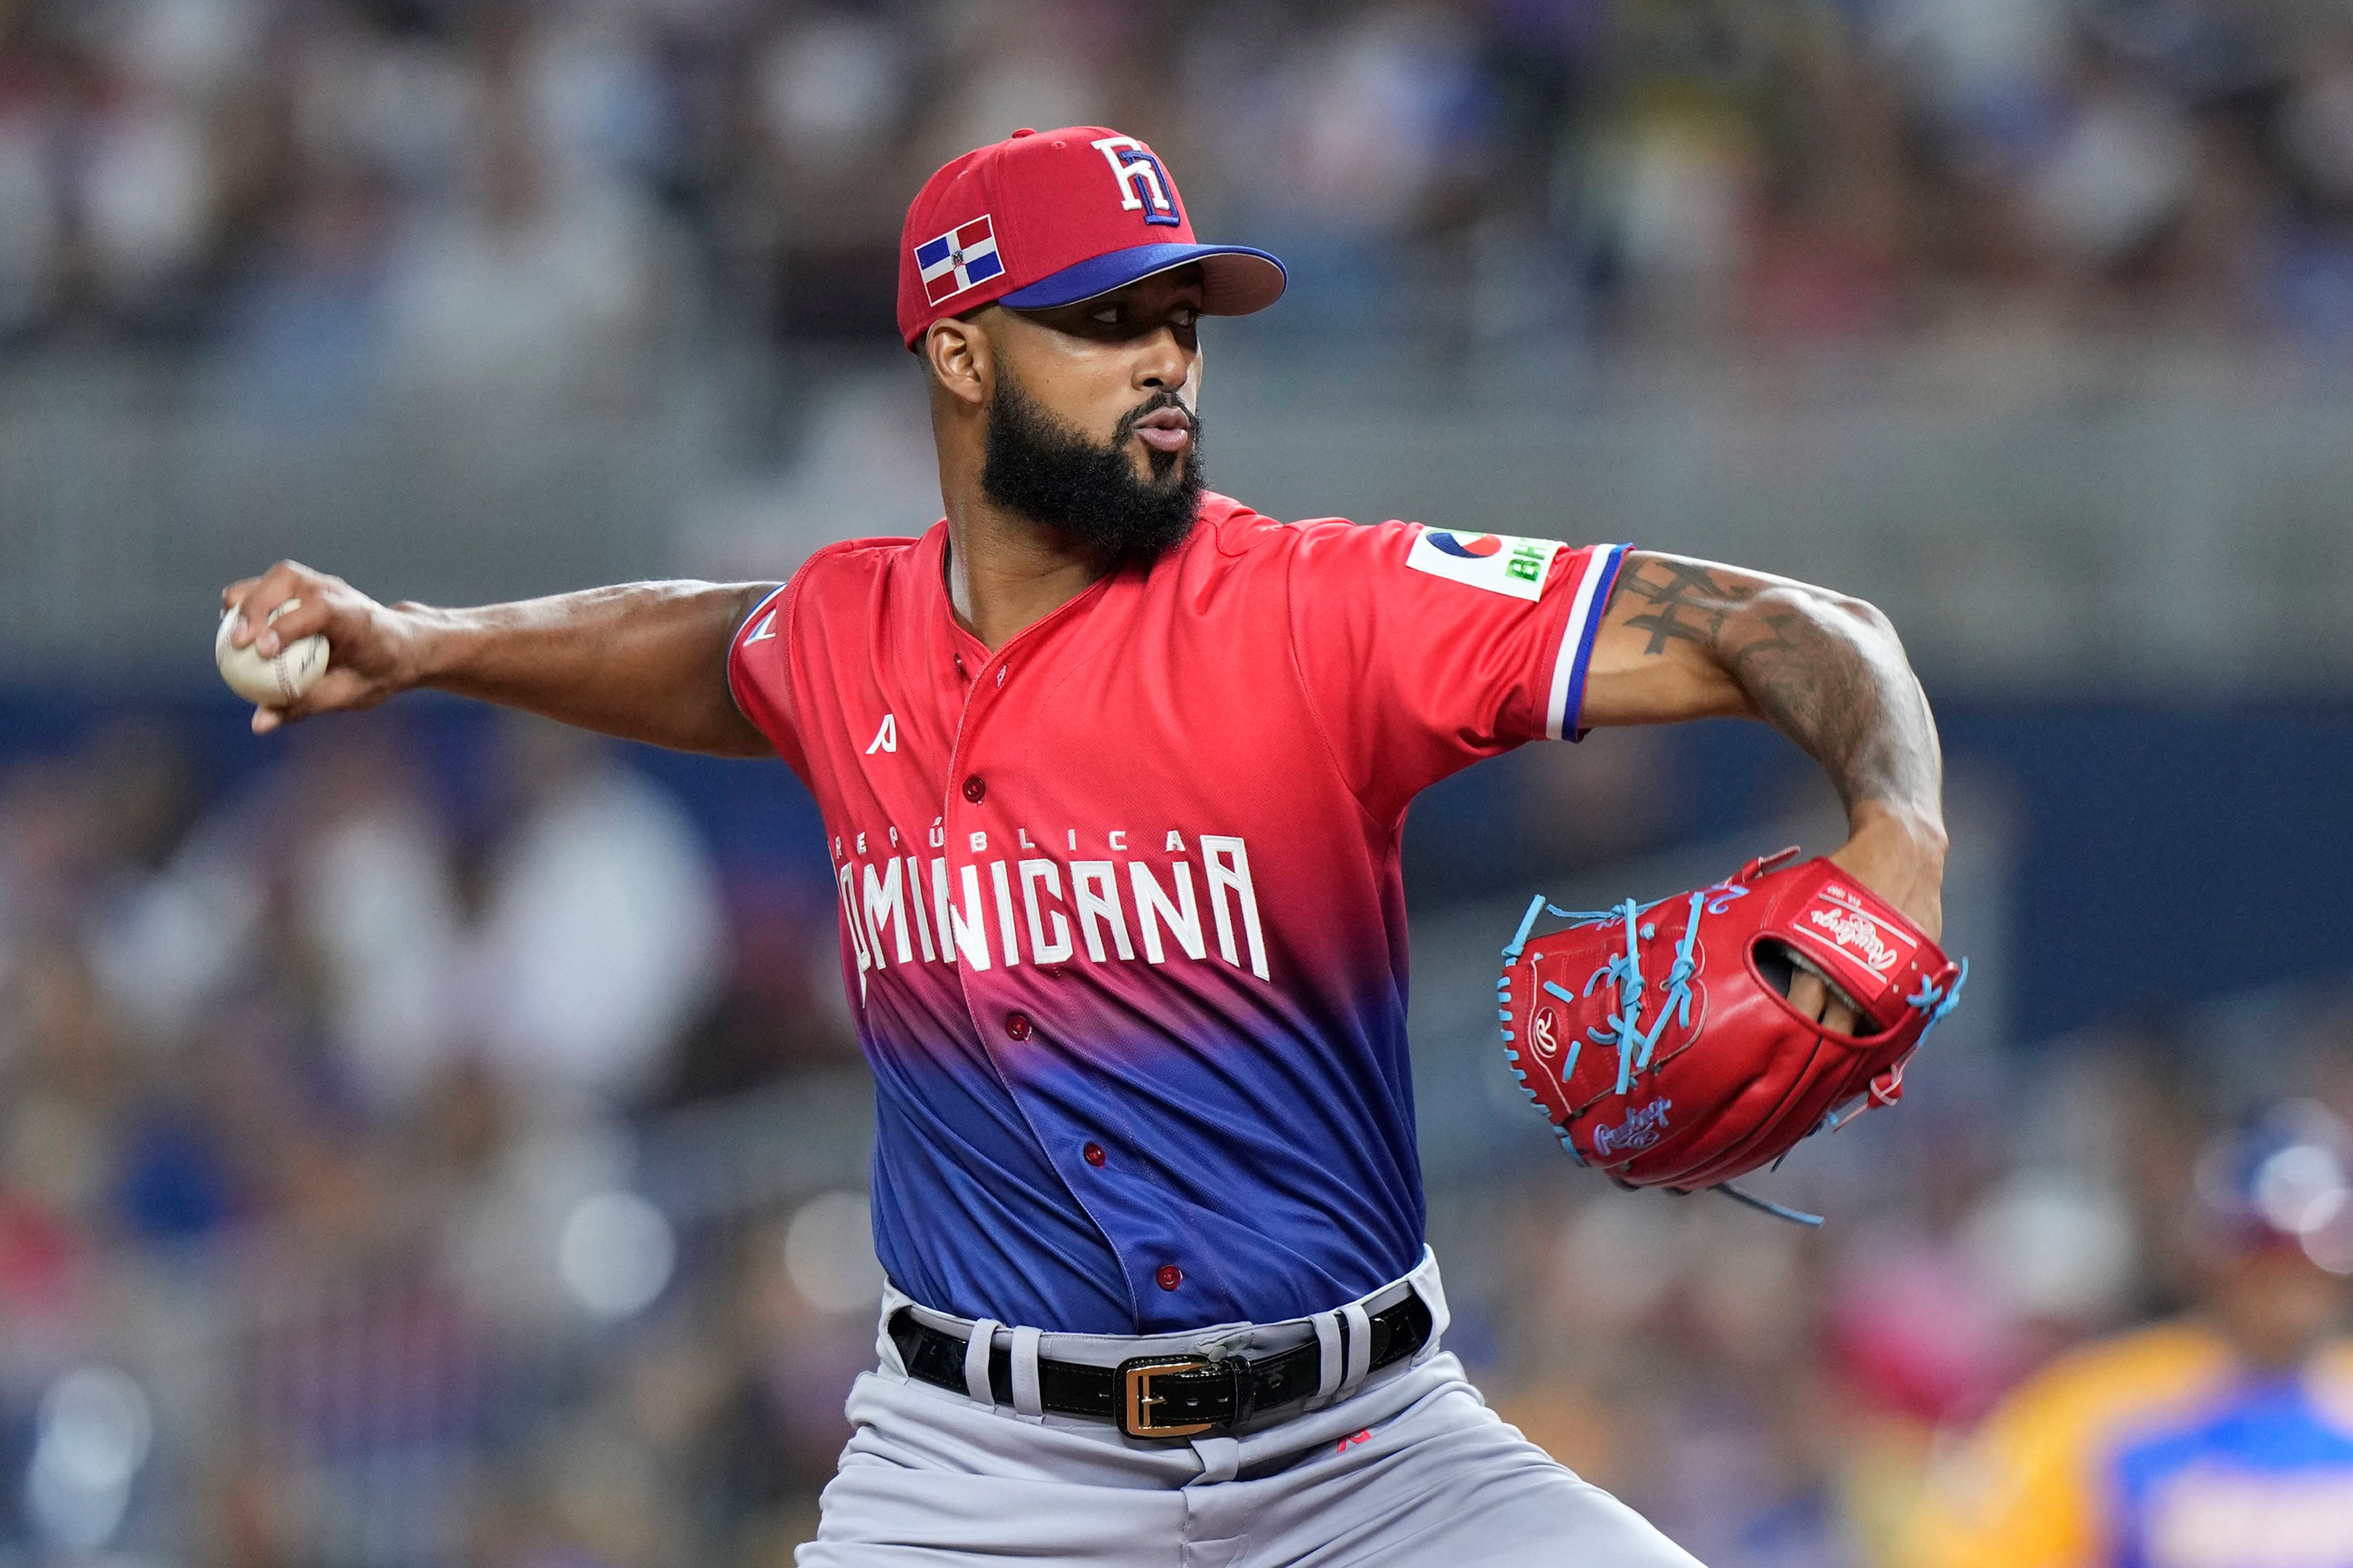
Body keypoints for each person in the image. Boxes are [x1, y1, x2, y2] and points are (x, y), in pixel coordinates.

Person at [222, 125, 1948, 1566]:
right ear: (961, 349)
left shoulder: (1323, 609)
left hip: (1371, 1461)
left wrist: (1898, 836)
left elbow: (1787, 626)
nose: (1166, 361)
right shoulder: (845, 633)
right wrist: (434, 640)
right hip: (976, 1478)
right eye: (1105, 318)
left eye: (1181, 319)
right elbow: (706, 646)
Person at [1900, 1104, 2353, 1568]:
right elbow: (1969, 1552)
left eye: (2304, 1258)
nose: (2286, 1282)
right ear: (2211, 1258)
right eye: (2263, 1252)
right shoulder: (2098, 1406)